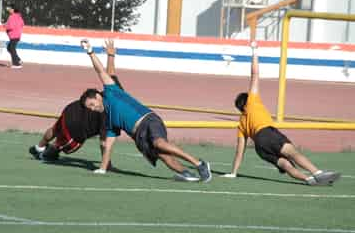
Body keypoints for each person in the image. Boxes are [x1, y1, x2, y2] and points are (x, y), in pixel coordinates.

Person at [79, 39, 212, 182]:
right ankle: (187, 174)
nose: (93, 109)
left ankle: (199, 164)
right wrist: (103, 168)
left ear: (98, 96)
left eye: (92, 104)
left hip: (148, 120)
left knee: (159, 143)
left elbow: (100, 70)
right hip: (138, 136)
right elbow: (108, 145)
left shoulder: (111, 91)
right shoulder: (108, 120)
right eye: (90, 108)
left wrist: (90, 52)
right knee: (164, 157)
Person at [222, 41, 341, 186]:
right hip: (268, 133)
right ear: (247, 100)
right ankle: (317, 173)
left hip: (260, 148)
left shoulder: (241, 123)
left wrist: (233, 172)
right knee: (293, 153)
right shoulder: (252, 101)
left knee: (285, 164)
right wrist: (255, 51)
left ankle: (308, 180)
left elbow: (240, 151)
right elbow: (255, 74)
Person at [29, 40, 123, 164]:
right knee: (59, 146)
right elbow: (103, 142)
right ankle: (45, 154)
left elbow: (110, 73)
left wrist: (111, 55)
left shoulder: (116, 91)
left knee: (55, 129)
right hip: (75, 128)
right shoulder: (110, 115)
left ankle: (39, 147)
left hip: (71, 108)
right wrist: (106, 164)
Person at [4, 4, 24, 69]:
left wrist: (5, 26)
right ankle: (18, 60)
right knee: (9, 48)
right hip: (17, 35)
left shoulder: (11, 17)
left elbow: (11, 26)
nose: (9, 10)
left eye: (10, 9)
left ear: (13, 9)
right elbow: (22, 24)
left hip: (13, 35)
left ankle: (16, 64)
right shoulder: (19, 16)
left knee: (12, 49)